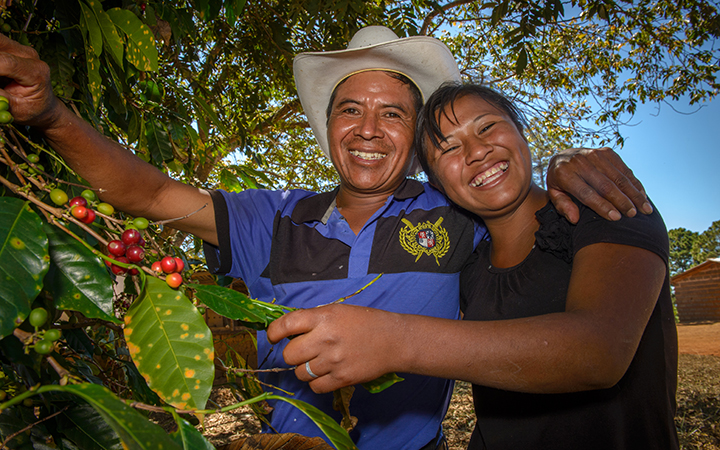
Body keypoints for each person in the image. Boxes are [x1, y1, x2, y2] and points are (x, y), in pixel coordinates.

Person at [0, 26, 652, 450]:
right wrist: (52, 114)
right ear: (328, 127)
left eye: (393, 113)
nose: (369, 129)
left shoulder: (455, 217)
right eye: (351, 109)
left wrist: (567, 161)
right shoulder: (269, 218)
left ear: (415, 142)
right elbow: (145, 196)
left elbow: (511, 194)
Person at [267, 83, 678, 449]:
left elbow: (599, 352)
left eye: (487, 128)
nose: (477, 152)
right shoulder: (467, 264)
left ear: (521, 133)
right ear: (437, 185)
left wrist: (394, 340)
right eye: (448, 148)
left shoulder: (604, 206)